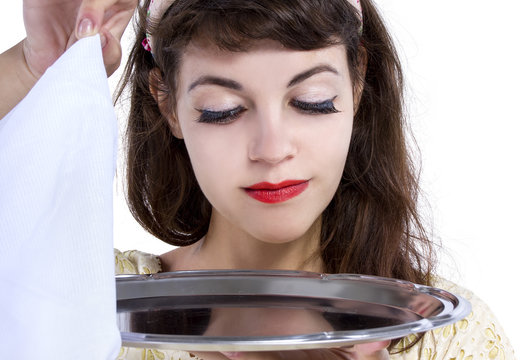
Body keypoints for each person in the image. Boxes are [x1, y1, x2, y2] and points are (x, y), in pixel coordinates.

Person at [0, 0, 516, 359]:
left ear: (357, 83)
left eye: (312, 102)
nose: (272, 150)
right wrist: (32, 65)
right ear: (168, 103)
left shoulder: (447, 339)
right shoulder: (77, 303)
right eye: (223, 111)